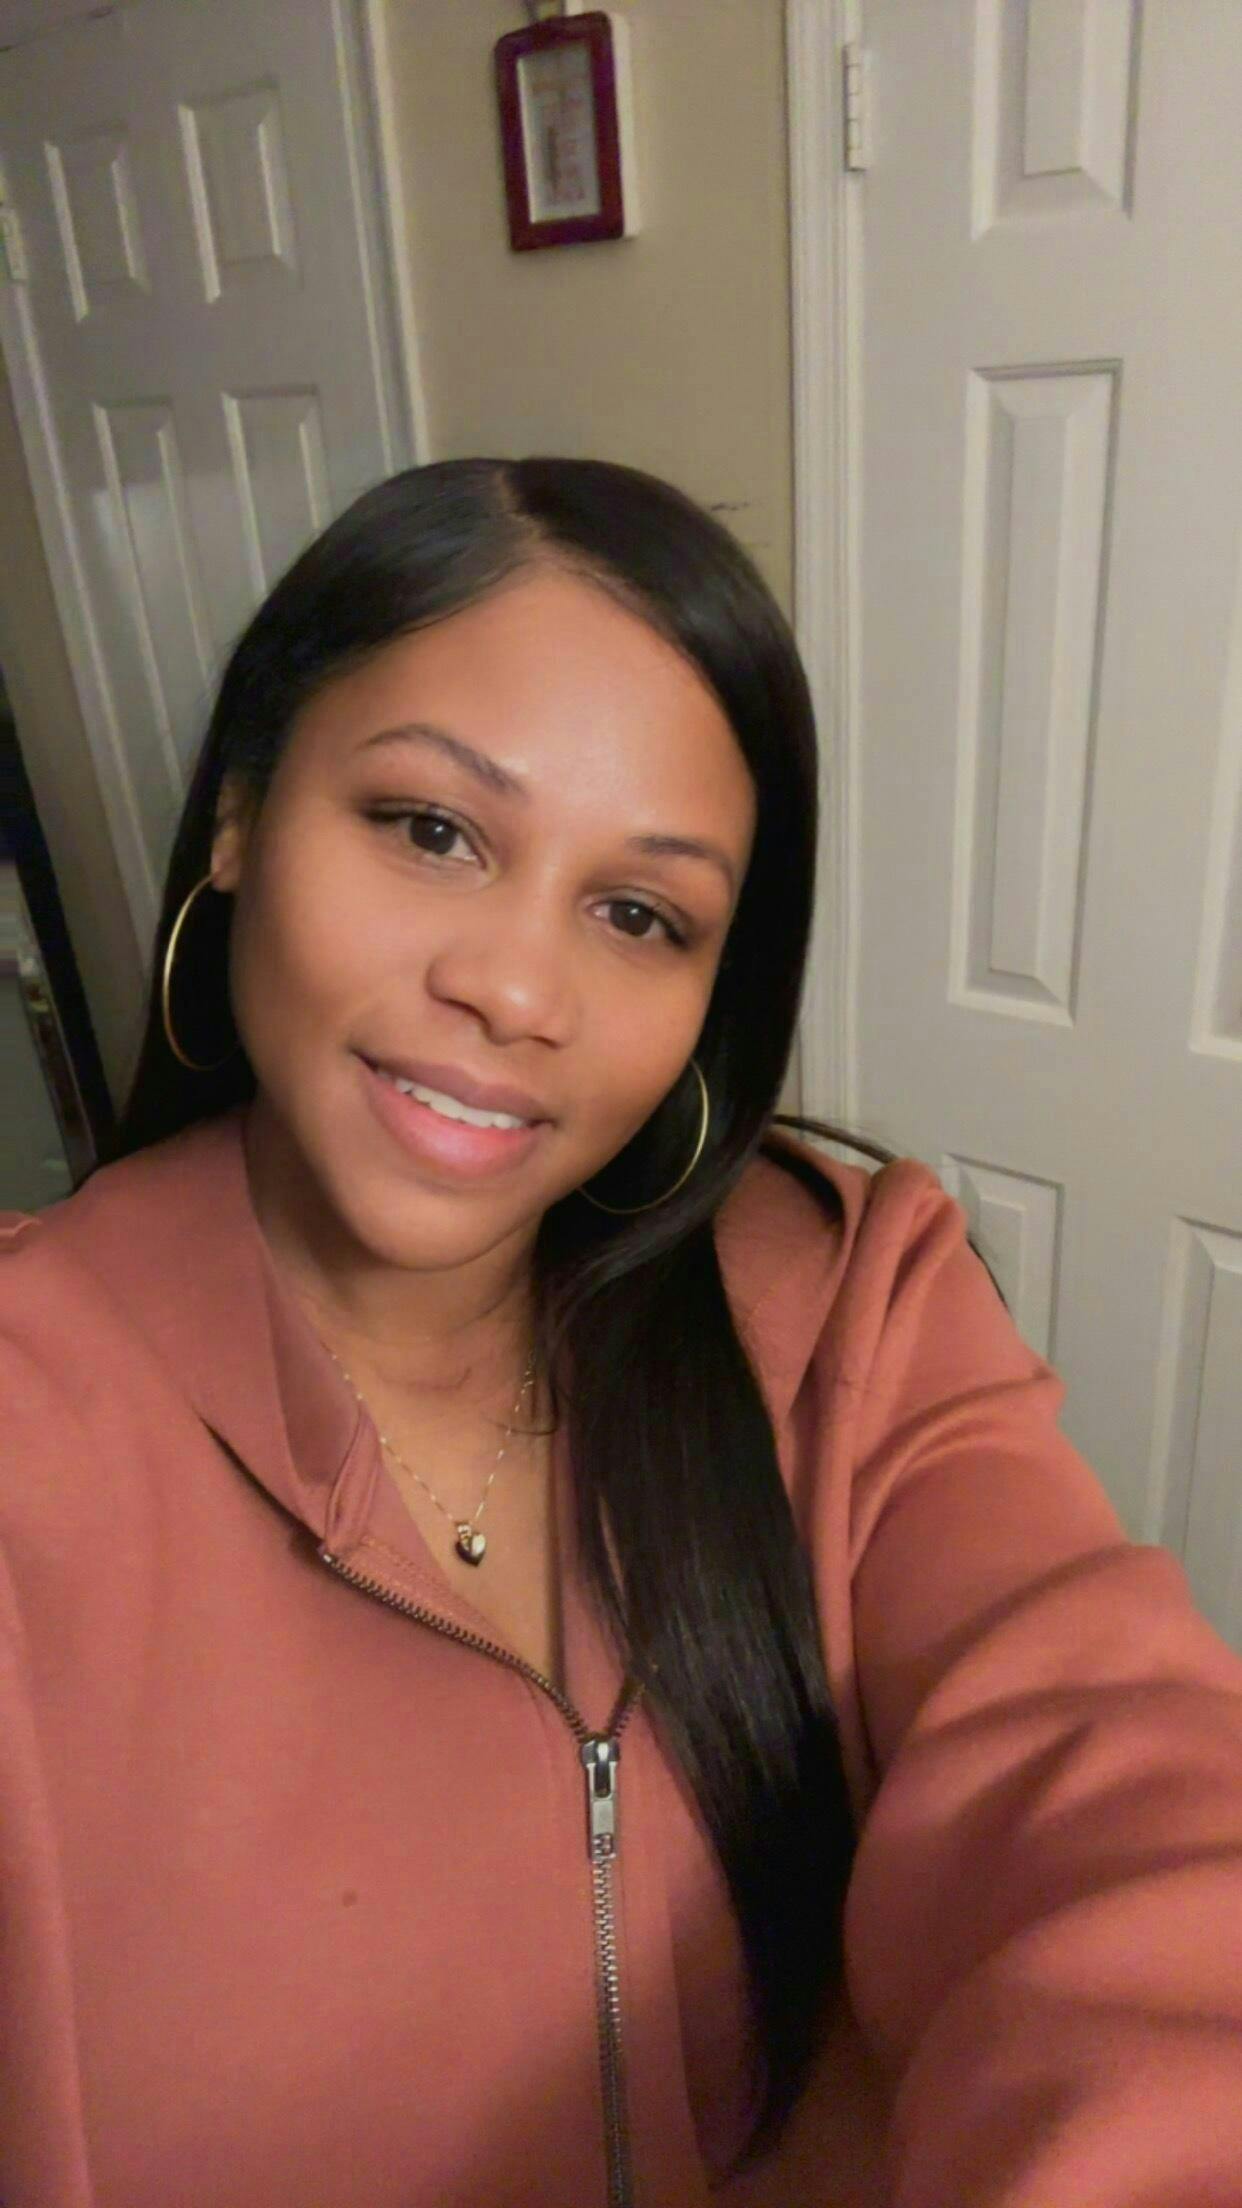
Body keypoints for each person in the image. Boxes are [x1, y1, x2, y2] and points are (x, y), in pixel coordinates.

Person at [1, 458, 1240, 2208]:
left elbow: (1111, 1776)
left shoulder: (846, 1300)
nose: (517, 990)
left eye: (638, 914)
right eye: (432, 829)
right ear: (240, 818)